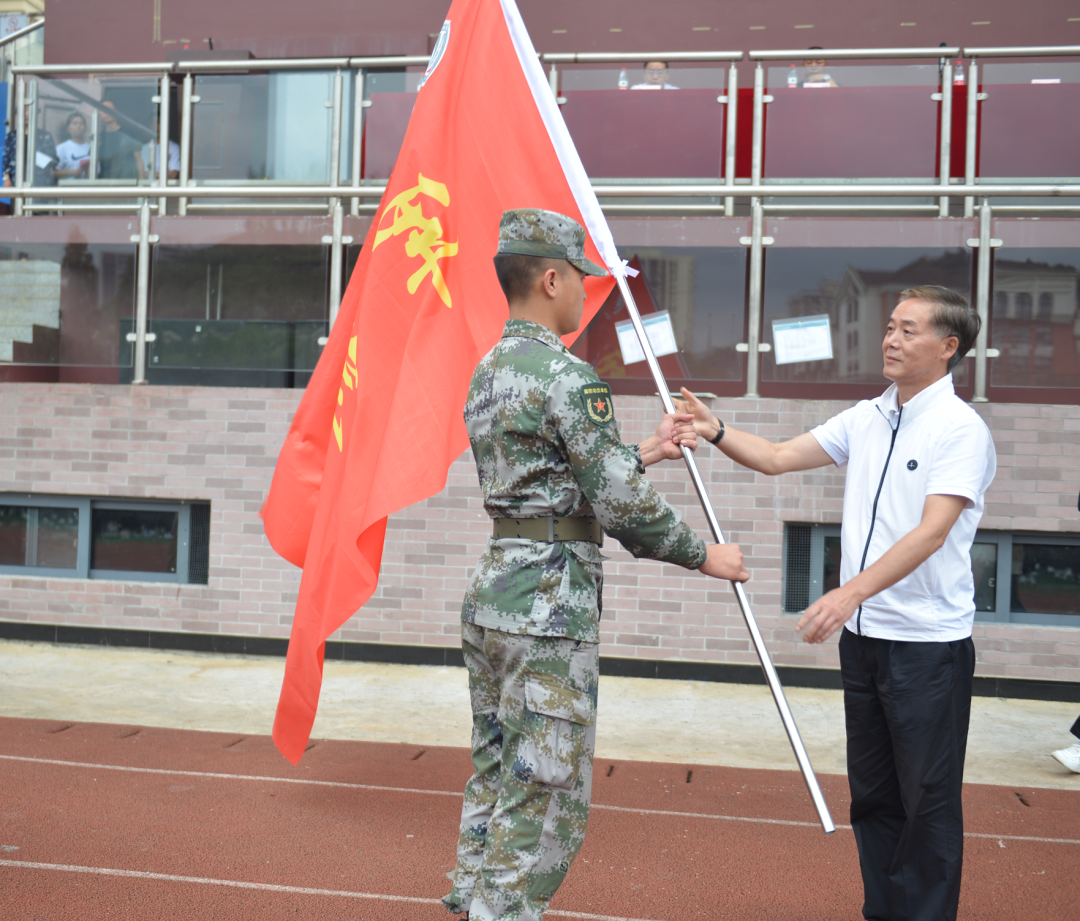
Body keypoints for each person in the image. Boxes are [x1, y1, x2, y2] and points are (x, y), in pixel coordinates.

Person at [442, 208, 748, 921]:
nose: (586, 290)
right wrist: (704, 555)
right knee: (544, 787)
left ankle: (475, 899)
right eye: (581, 276)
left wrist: (644, 451)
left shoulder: (488, 371)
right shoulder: (568, 375)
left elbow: (553, 476)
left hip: (497, 594)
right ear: (551, 279)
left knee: (497, 766)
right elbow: (620, 505)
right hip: (549, 606)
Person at [679, 285, 996, 921]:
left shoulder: (961, 429)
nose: (891, 339)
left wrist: (849, 593)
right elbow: (775, 458)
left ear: (948, 346)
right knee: (873, 798)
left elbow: (932, 533)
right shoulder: (867, 416)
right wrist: (715, 430)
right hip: (865, 643)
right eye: (890, 327)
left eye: (908, 330)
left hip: (927, 647)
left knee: (927, 801)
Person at [95, 101, 142, 179]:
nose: (106, 112)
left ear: (116, 112)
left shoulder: (128, 133)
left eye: (109, 109)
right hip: (104, 183)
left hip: (127, 182)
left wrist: (142, 182)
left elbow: (138, 159)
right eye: (103, 110)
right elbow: (93, 164)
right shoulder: (98, 137)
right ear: (98, 113)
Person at [135, 112, 180, 181]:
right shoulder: (145, 148)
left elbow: (173, 174)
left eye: (158, 122)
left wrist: (153, 174)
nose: (155, 126)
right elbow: (145, 174)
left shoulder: (174, 147)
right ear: (150, 126)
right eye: (153, 123)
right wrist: (164, 173)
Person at [53, 111, 92, 180]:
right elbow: (53, 172)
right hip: (67, 186)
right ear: (68, 128)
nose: (78, 126)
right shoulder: (62, 148)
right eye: (75, 123)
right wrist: (72, 172)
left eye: (82, 123)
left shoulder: (92, 148)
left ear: (85, 127)